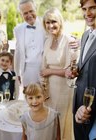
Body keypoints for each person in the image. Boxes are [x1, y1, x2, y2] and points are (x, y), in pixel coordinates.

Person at [41, 7, 76, 140]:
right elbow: (43, 64)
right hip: (49, 89)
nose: (50, 26)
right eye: (47, 23)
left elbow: (68, 70)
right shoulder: (48, 40)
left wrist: (48, 71)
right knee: (51, 123)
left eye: (53, 22)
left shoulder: (68, 40)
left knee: (62, 123)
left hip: (64, 90)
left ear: (60, 22)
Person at [66, 0, 96, 139]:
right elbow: (85, 65)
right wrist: (74, 70)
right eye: (84, 9)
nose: (87, 13)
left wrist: (88, 107)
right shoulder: (85, 35)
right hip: (78, 104)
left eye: (93, 8)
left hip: (91, 109)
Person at [14, 0, 45, 87]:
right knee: (29, 98)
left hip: (44, 69)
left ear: (36, 9)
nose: (29, 15)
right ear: (21, 15)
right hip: (27, 71)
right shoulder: (18, 29)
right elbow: (18, 52)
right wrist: (17, 73)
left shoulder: (46, 25)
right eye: (25, 13)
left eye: (31, 11)